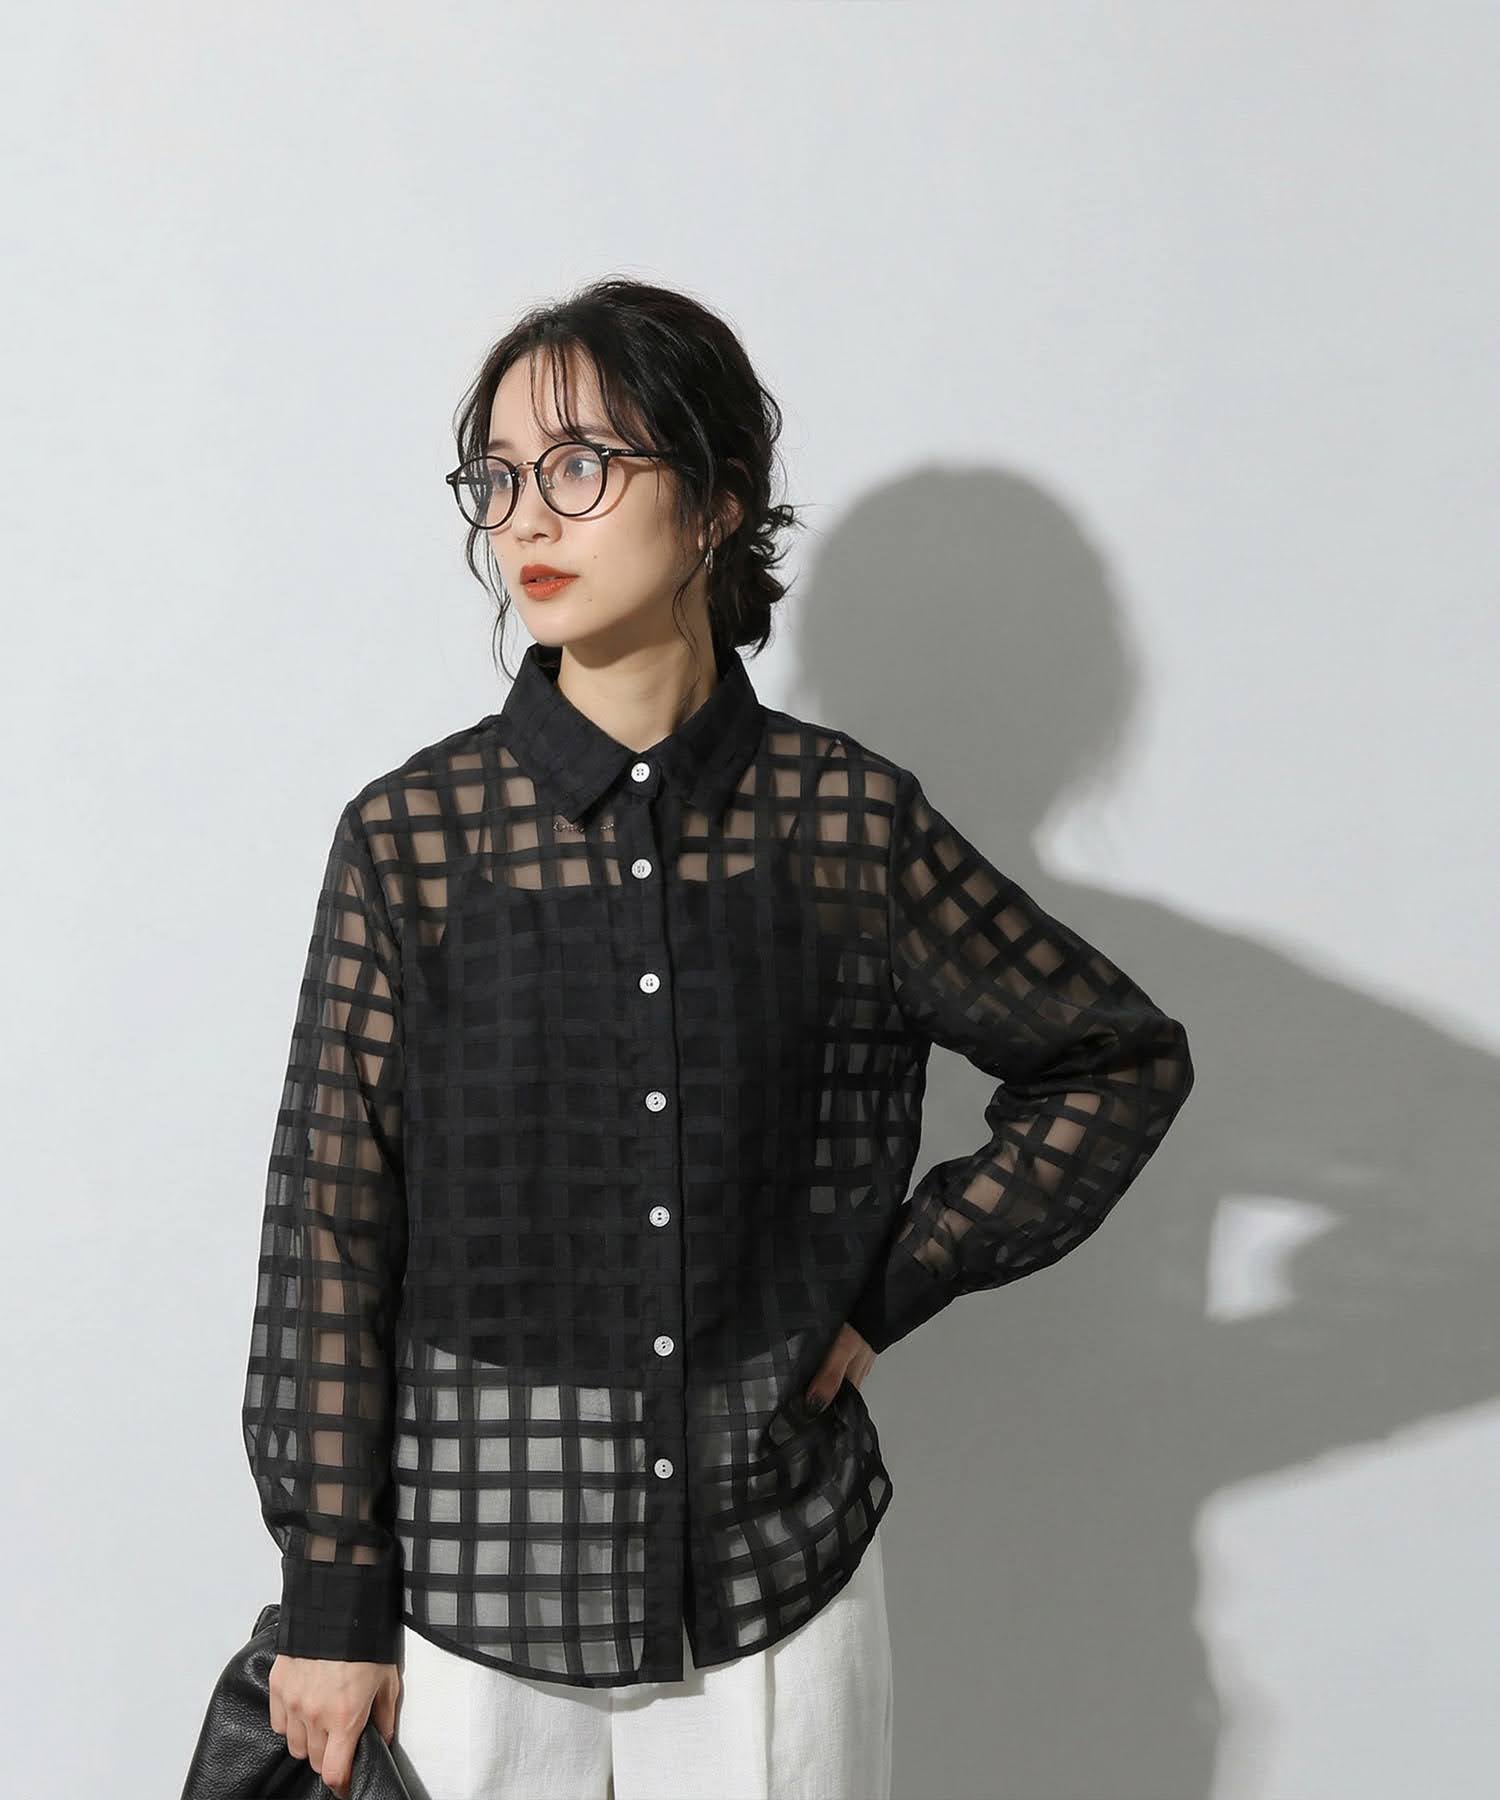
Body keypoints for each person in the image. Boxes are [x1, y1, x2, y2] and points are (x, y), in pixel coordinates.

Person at [240, 276, 1196, 1800]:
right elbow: (329, 1232)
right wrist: (331, 1598)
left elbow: (1112, 1060)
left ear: (716, 501)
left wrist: (897, 1278)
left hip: (774, 1587)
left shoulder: (847, 825)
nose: (527, 518)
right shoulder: (414, 839)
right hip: (473, 1592)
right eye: (498, 477)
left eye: (581, 465)